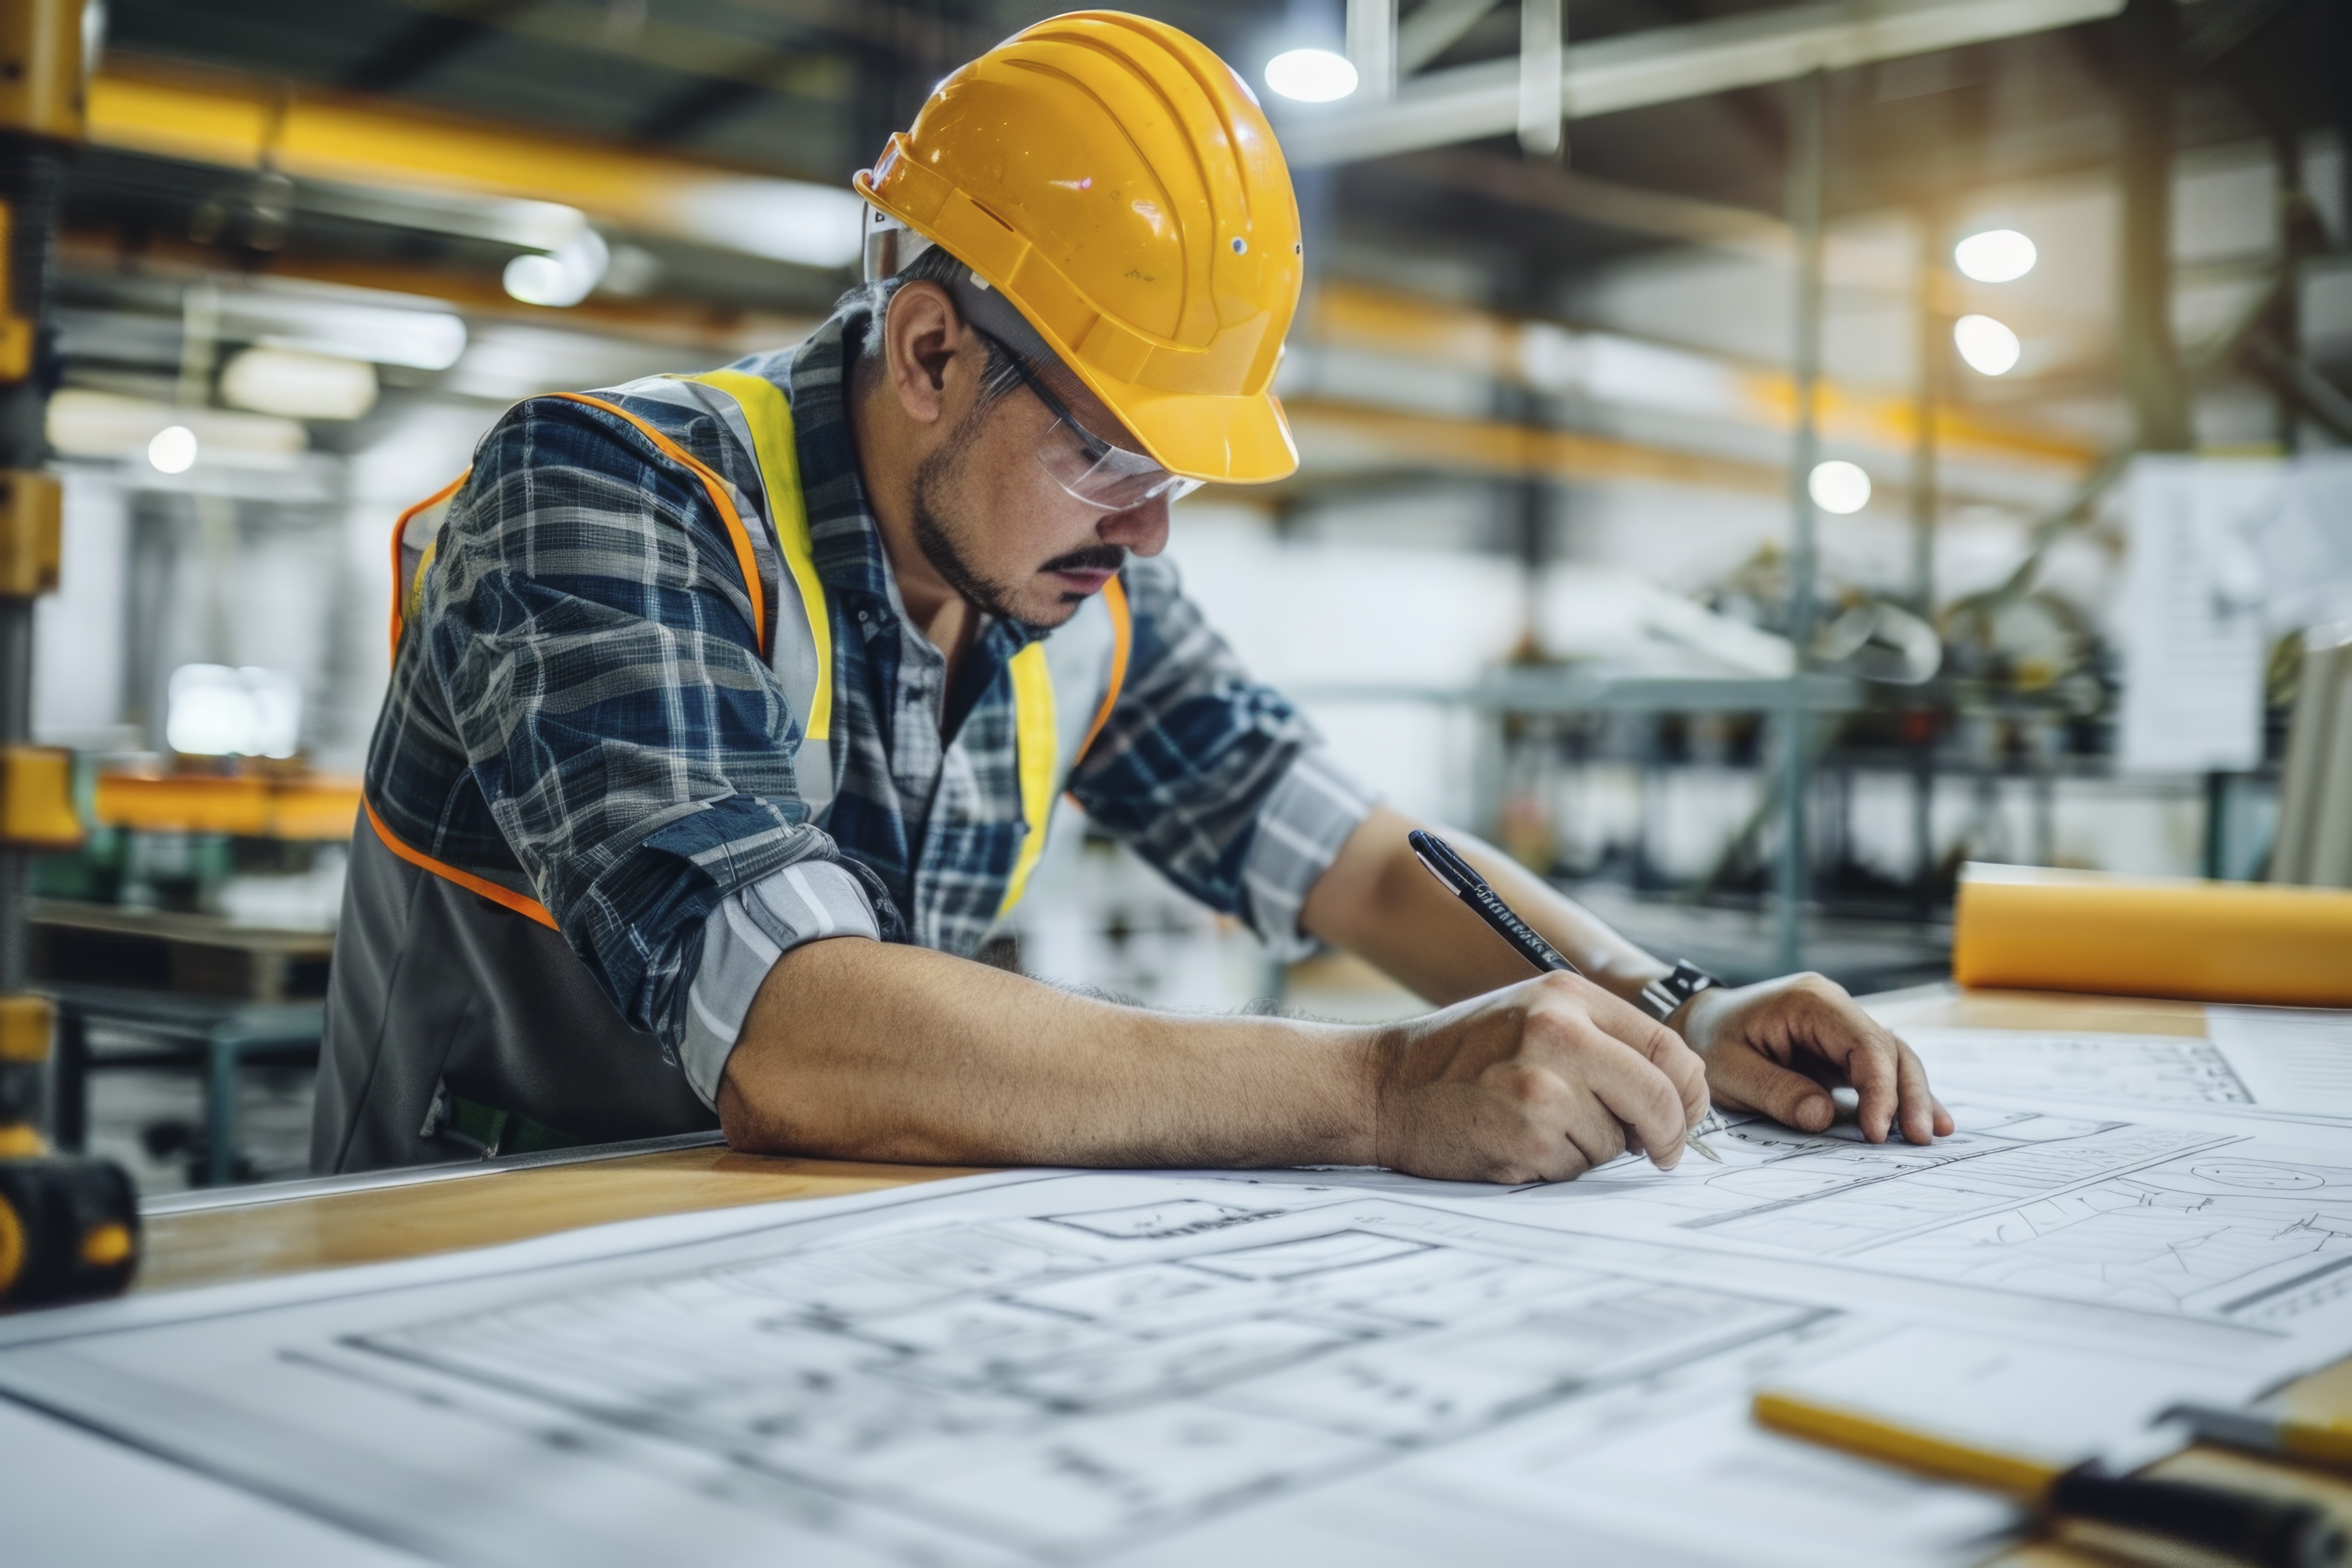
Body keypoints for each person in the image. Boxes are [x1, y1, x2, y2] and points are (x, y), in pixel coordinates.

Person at [313, 11, 1951, 1177]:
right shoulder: (612, 496)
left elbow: (1362, 862)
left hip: (781, 1272)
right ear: (934, 352)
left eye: (1182, 479)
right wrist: (1381, 1093)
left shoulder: (1067, 590)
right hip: (455, 1269)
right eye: (1117, 460)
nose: (1152, 539)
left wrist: (1668, 999)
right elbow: (794, 1036)